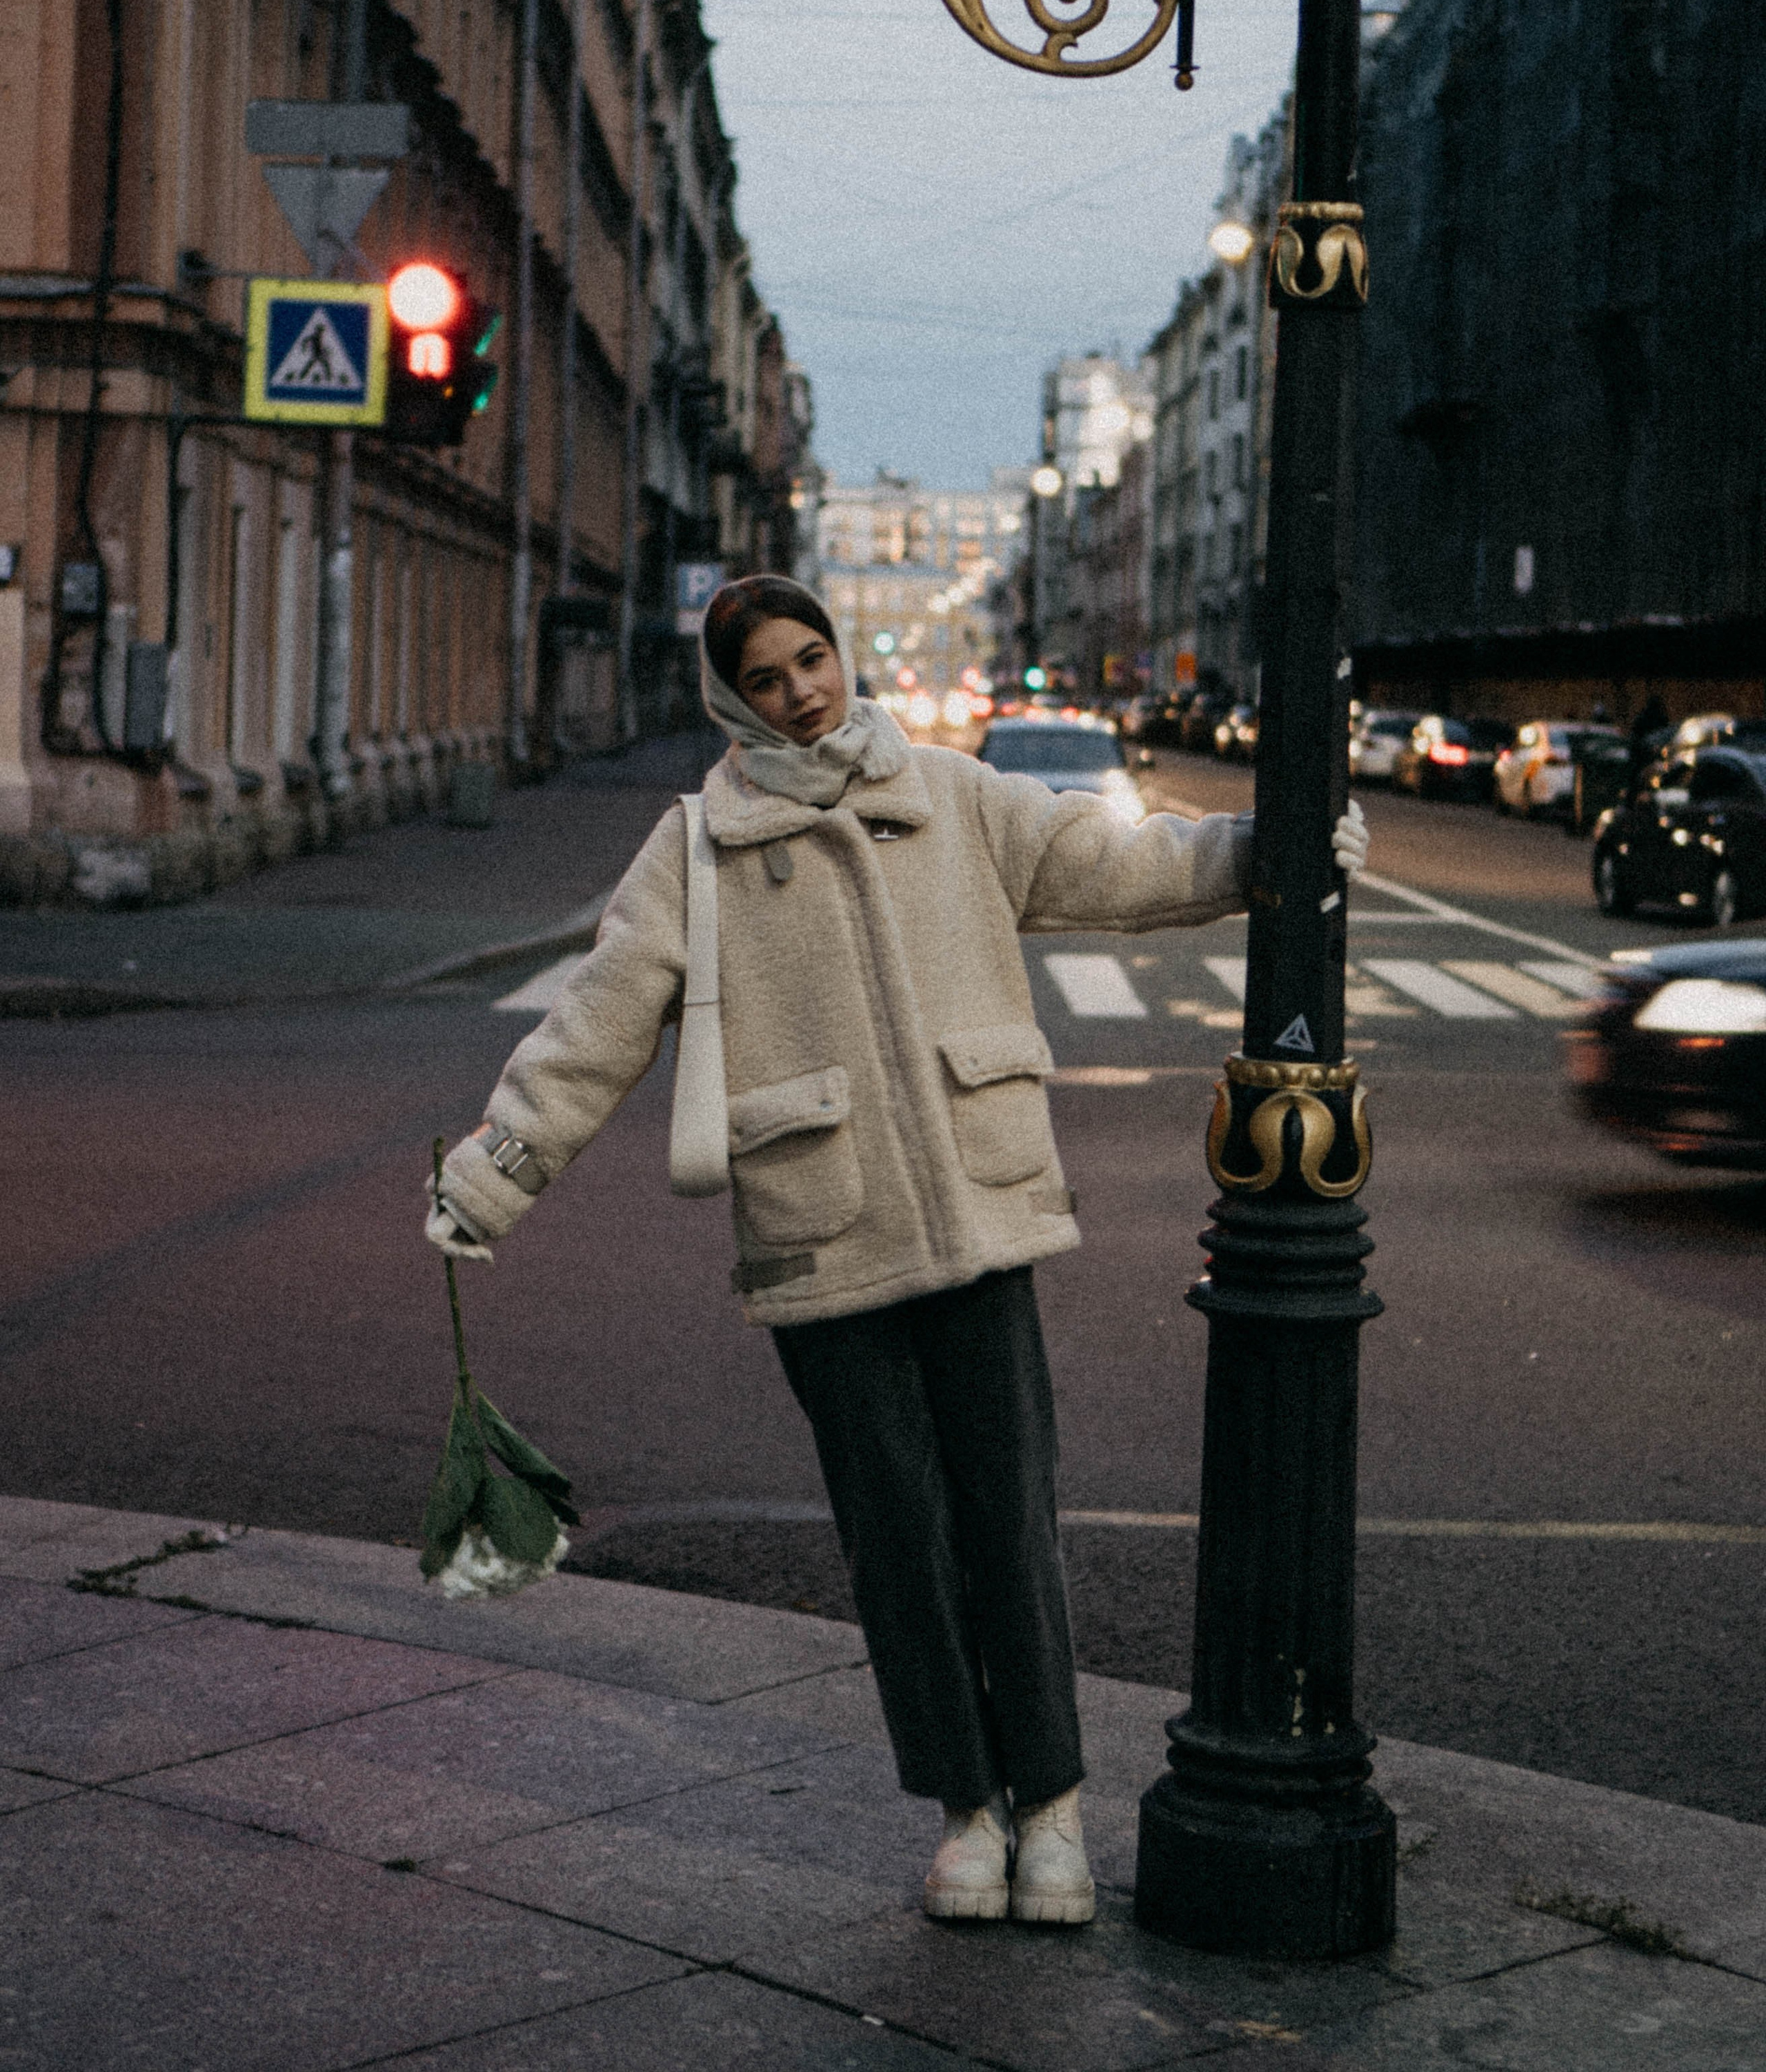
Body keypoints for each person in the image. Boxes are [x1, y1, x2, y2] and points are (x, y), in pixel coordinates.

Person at [426, 575, 1369, 1928]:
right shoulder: (696, 847)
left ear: (840, 654)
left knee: (1010, 1526)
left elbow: (1117, 868)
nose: (800, 693)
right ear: (731, 699)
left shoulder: (950, 792)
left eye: (811, 660)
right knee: (899, 1543)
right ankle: (966, 1813)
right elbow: (598, 1022)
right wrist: (495, 1174)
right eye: (766, 679)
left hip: (980, 1211)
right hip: (823, 1235)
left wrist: (1268, 850)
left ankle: (1051, 1809)